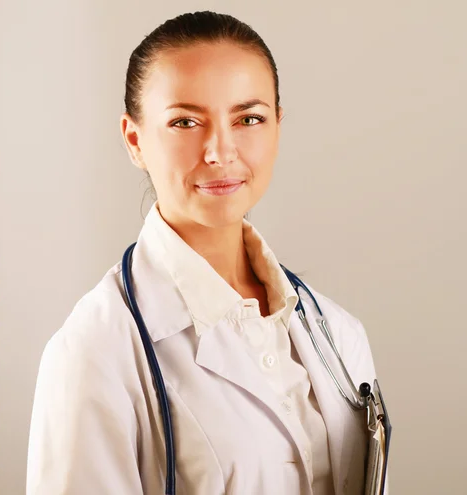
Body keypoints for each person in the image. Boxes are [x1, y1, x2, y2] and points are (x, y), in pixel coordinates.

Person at [27, 10, 383, 495]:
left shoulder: (337, 334)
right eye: (186, 121)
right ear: (135, 139)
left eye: (249, 118)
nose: (220, 150)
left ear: (277, 126)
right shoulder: (95, 352)